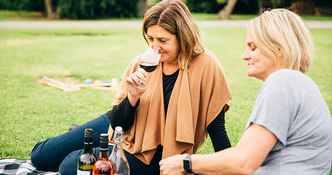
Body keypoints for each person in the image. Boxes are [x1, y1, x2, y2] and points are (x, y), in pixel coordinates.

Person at [30, 0, 232, 174]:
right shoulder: (141, 62)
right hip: (119, 127)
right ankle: (94, 142)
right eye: (150, 39)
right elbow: (119, 122)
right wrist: (133, 97)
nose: (154, 47)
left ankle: (94, 145)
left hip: (149, 156)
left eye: (163, 40)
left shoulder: (205, 64)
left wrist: (230, 168)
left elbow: (216, 127)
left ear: (184, 36)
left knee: (69, 166)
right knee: (40, 157)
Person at [159, 8, 332, 175]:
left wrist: (186, 162)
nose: (245, 55)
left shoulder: (283, 81)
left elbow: (243, 162)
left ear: (279, 49)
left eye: (253, 47)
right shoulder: (298, 83)